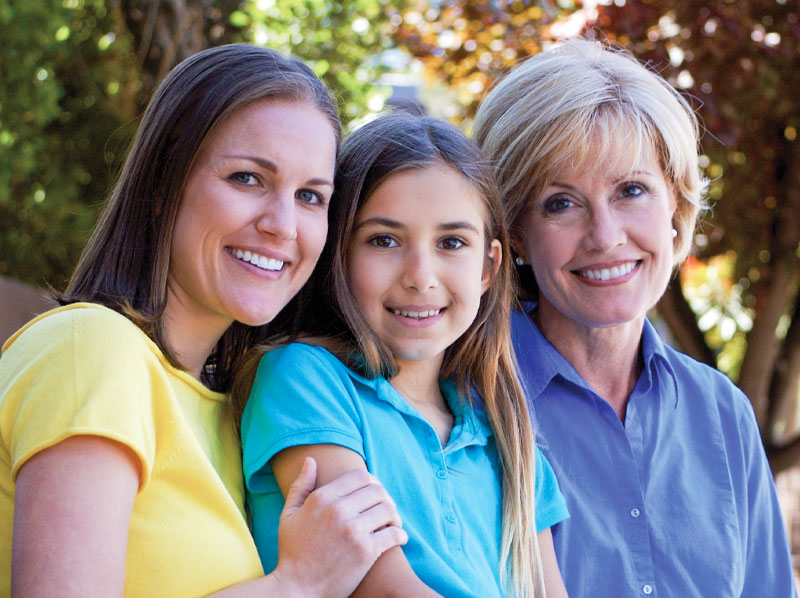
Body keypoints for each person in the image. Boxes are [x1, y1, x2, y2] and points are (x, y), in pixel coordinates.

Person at [0, 44, 408, 597]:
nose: (282, 225)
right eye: (247, 179)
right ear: (165, 182)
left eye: (311, 196)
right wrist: (299, 584)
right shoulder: (91, 349)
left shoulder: (235, 410)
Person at [473, 39, 796, 597]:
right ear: (516, 233)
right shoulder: (467, 404)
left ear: (676, 203)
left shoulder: (723, 415)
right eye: (561, 202)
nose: (605, 237)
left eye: (631, 190)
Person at [235, 112, 569, 598]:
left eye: (451, 243)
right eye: (384, 240)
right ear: (339, 254)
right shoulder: (303, 379)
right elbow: (382, 587)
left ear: (487, 267)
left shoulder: (509, 438)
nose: (420, 276)